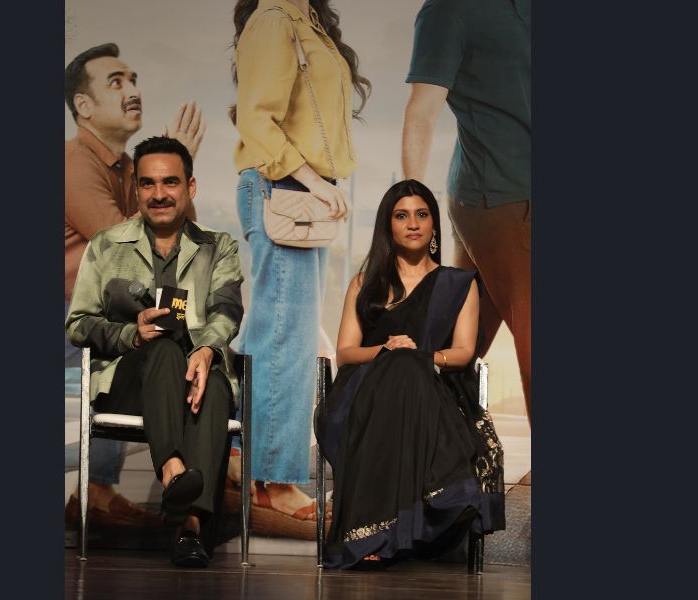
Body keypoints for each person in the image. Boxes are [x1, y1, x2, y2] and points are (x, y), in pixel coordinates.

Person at [228, 0, 371, 539]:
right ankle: (275, 480)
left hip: (296, 194)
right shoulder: (275, 19)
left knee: (273, 333)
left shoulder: (304, 20)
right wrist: (314, 183)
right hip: (286, 190)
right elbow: (257, 119)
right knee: (286, 340)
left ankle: (243, 457)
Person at [66, 136, 244, 568]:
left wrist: (206, 349)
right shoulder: (106, 245)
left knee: (214, 384)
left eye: (170, 182)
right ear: (136, 189)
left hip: (196, 382)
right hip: (128, 385)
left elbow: (227, 309)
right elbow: (78, 323)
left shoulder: (218, 246)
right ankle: (173, 471)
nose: (159, 194)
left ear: (190, 187)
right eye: (147, 183)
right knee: (162, 345)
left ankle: (189, 528)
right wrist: (131, 334)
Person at [315, 180, 505, 569]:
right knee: (400, 365)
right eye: (401, 216)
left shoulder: (458, 284)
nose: (413, 224)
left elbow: (463, 352)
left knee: (409, 367)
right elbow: (346, 352)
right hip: (364, 392)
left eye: (422, 214)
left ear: (434, 224)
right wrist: (387, 350)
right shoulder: (365, 283)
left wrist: (418, 357)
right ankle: (439, 501)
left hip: (434, 390)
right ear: (388, 225)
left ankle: (380, 533)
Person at [64, 43, 206, 530]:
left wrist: (174, 173)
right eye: (116, 82)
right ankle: (112, 490)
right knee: (152, 336)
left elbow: (185, 245)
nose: (132, 90)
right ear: (83, 106)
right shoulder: (74, 162)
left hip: (118, 309)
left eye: (133, 79)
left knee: (196, 334)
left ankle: (196, 473)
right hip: (73, 317)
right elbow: (124, 250)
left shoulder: (129, 167)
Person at [401, 0, 531, 424]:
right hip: (504, 196)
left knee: (457, 345)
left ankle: (423, 443)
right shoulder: (449, 10)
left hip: (500, 195)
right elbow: (421, 111)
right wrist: (410, 202)